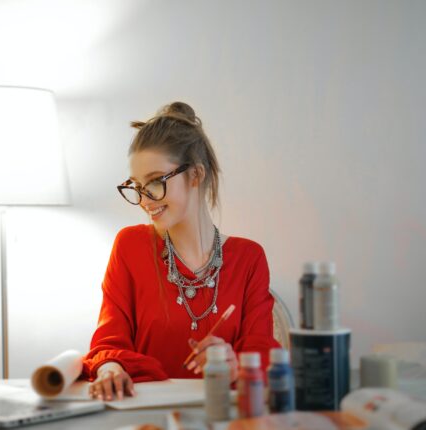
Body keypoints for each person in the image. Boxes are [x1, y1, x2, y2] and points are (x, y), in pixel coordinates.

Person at [82, 102, 280, 401]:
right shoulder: (130, 246)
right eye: (137, 185)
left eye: (156, 182)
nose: (145, 200)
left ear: (196, 176)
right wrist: (109, 368)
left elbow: (263, 352)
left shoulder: (248, 258)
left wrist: (234, 362)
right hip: (146, 416)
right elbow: (108, 341)